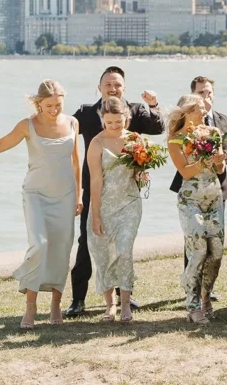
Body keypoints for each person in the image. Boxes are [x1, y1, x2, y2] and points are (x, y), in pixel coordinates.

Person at [0, 80, 80, 329]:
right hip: (36, 194)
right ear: (38, 103)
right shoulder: (27, 125)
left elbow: (76, 163)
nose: (53, 110)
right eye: (48, 105)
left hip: (66, 195)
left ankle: (56, 305)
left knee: (61, 250)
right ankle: (30, 307)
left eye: (58, 105)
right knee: (39, 245)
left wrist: (79, 196)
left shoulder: (73, 122)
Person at [65, 66, 163, 318]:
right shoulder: (87, 112)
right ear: (99, 87)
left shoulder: (136, 111)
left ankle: (124, 298)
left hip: (127, 193)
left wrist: (154, 105)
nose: (112, 88)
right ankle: (78, 299)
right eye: (108, 84)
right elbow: (66, 129)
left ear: (124, 87)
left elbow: (158, 128)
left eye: (117, 84)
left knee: (123, 245)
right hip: (95, 188)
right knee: (89, 244)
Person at [170, 75, 227, 302]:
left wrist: (219, 159)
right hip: (190, 198)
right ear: (186, 112)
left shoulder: (213, 133)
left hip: (214, 195)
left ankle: (206, 294)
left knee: (216, 252)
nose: (204, 110)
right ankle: (192, 302)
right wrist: (204, 160)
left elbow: (220, 168)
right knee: (198, 251)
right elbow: (186, 172)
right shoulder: (175, 138)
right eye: (198, 108)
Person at [86, 97, 144, 323]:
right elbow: (96, 181)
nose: (114, 127)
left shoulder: (135, 140)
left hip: (130, 203)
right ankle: (110, 305)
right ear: (102, 120)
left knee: (123, 250)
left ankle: (126, 303)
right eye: (109, 122)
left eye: (118, 122)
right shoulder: (96, 143)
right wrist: (96, 215)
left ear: (126, 118)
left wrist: (142, 174)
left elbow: (139, 172)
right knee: (103, 256)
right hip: (104, 205)